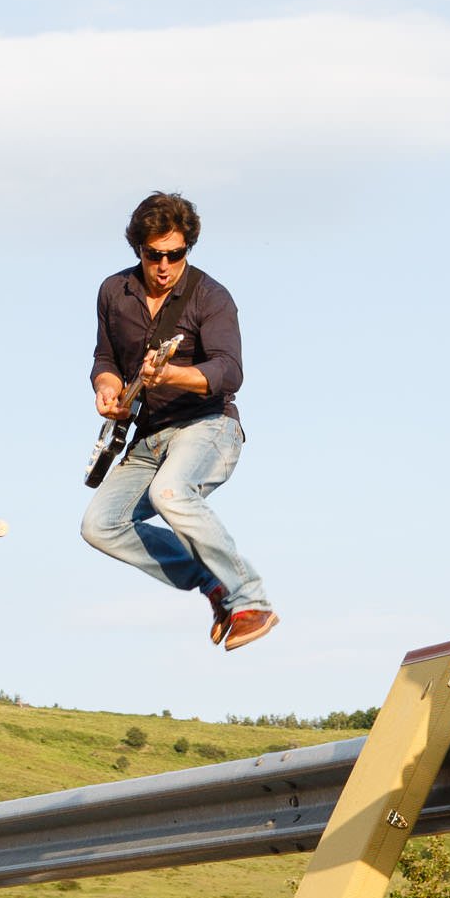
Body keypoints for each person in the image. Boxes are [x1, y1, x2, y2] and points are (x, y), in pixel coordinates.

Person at [80, 189, 276, 652]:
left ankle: (251, 599)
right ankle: (211, 582)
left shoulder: (210, 297)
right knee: (99, 525)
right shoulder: (114, 292)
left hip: (209, 426)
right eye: (155, 255)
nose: (165, 265)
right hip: (148, 439)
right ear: (139, 250)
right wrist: (107, 389)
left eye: (176, 254)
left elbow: (230, 371)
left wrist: (172, 374)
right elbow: (104, 358)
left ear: (187, 248)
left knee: (169, 494)